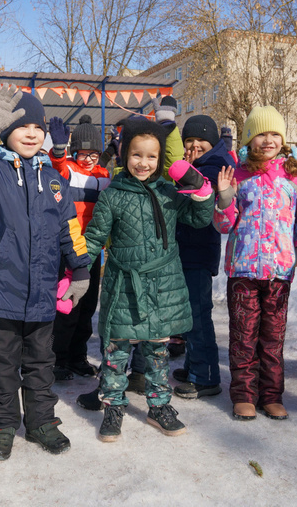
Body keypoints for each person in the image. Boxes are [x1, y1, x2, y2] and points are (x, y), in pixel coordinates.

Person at [0, 85, 91, 461]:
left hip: (43, 292)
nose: (31, 133)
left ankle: (42, 421)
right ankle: (3, 424)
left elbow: (69, 228)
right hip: (0, 290)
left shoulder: (55, 179)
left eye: (37, 127)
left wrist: (80, 269)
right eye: (21, 126)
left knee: (42, 365)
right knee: (1, 367)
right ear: (6, 131)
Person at [83, 116, 215, 442]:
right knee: (116, 351)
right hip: (124, 283)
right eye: (136, 155)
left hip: (163, 284)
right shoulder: (113, 195)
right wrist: (75, 270)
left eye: (151, 156)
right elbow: (94, 238)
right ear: (125, 154)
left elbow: (200, 218)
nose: (143, 163)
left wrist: (202, 190)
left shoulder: (169, 192)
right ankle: (113, 406)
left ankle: (159, 406)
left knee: (158, 352)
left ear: (160, 159)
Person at [213, 106, 297, 421]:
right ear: (249, 139)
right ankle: (243, 394)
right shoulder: (239, 175)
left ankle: (271, 395)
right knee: (243, 334)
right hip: (243, 269)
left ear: (282, 138)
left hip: (279, 271)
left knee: (273, 338)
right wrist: (225, 198)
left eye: (274, 134)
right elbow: (224, 225)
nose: (267, 140)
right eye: (260, 134)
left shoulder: (295, 177)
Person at [172, 115, 235, 399]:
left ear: (212, 142)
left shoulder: (216, 166)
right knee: (189, 315)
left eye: (201, 140)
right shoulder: (202, 163)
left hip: (198, 251)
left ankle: (206, 376)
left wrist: (181, 168)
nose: (194, 145)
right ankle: (194, 366)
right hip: (188, 250)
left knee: (197, 315)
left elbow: (200, 191)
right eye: (189, 140)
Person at [48, 114, 111, 381]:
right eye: (82, 153)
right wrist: (60, 150)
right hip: (69, 248)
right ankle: (58, 358)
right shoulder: (68, 170)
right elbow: (56, 165)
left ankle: (77, 356)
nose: (87, 159)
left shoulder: (104, 174)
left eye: (93, 154)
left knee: (87, 307)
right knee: (67, 306)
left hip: (93, 250)